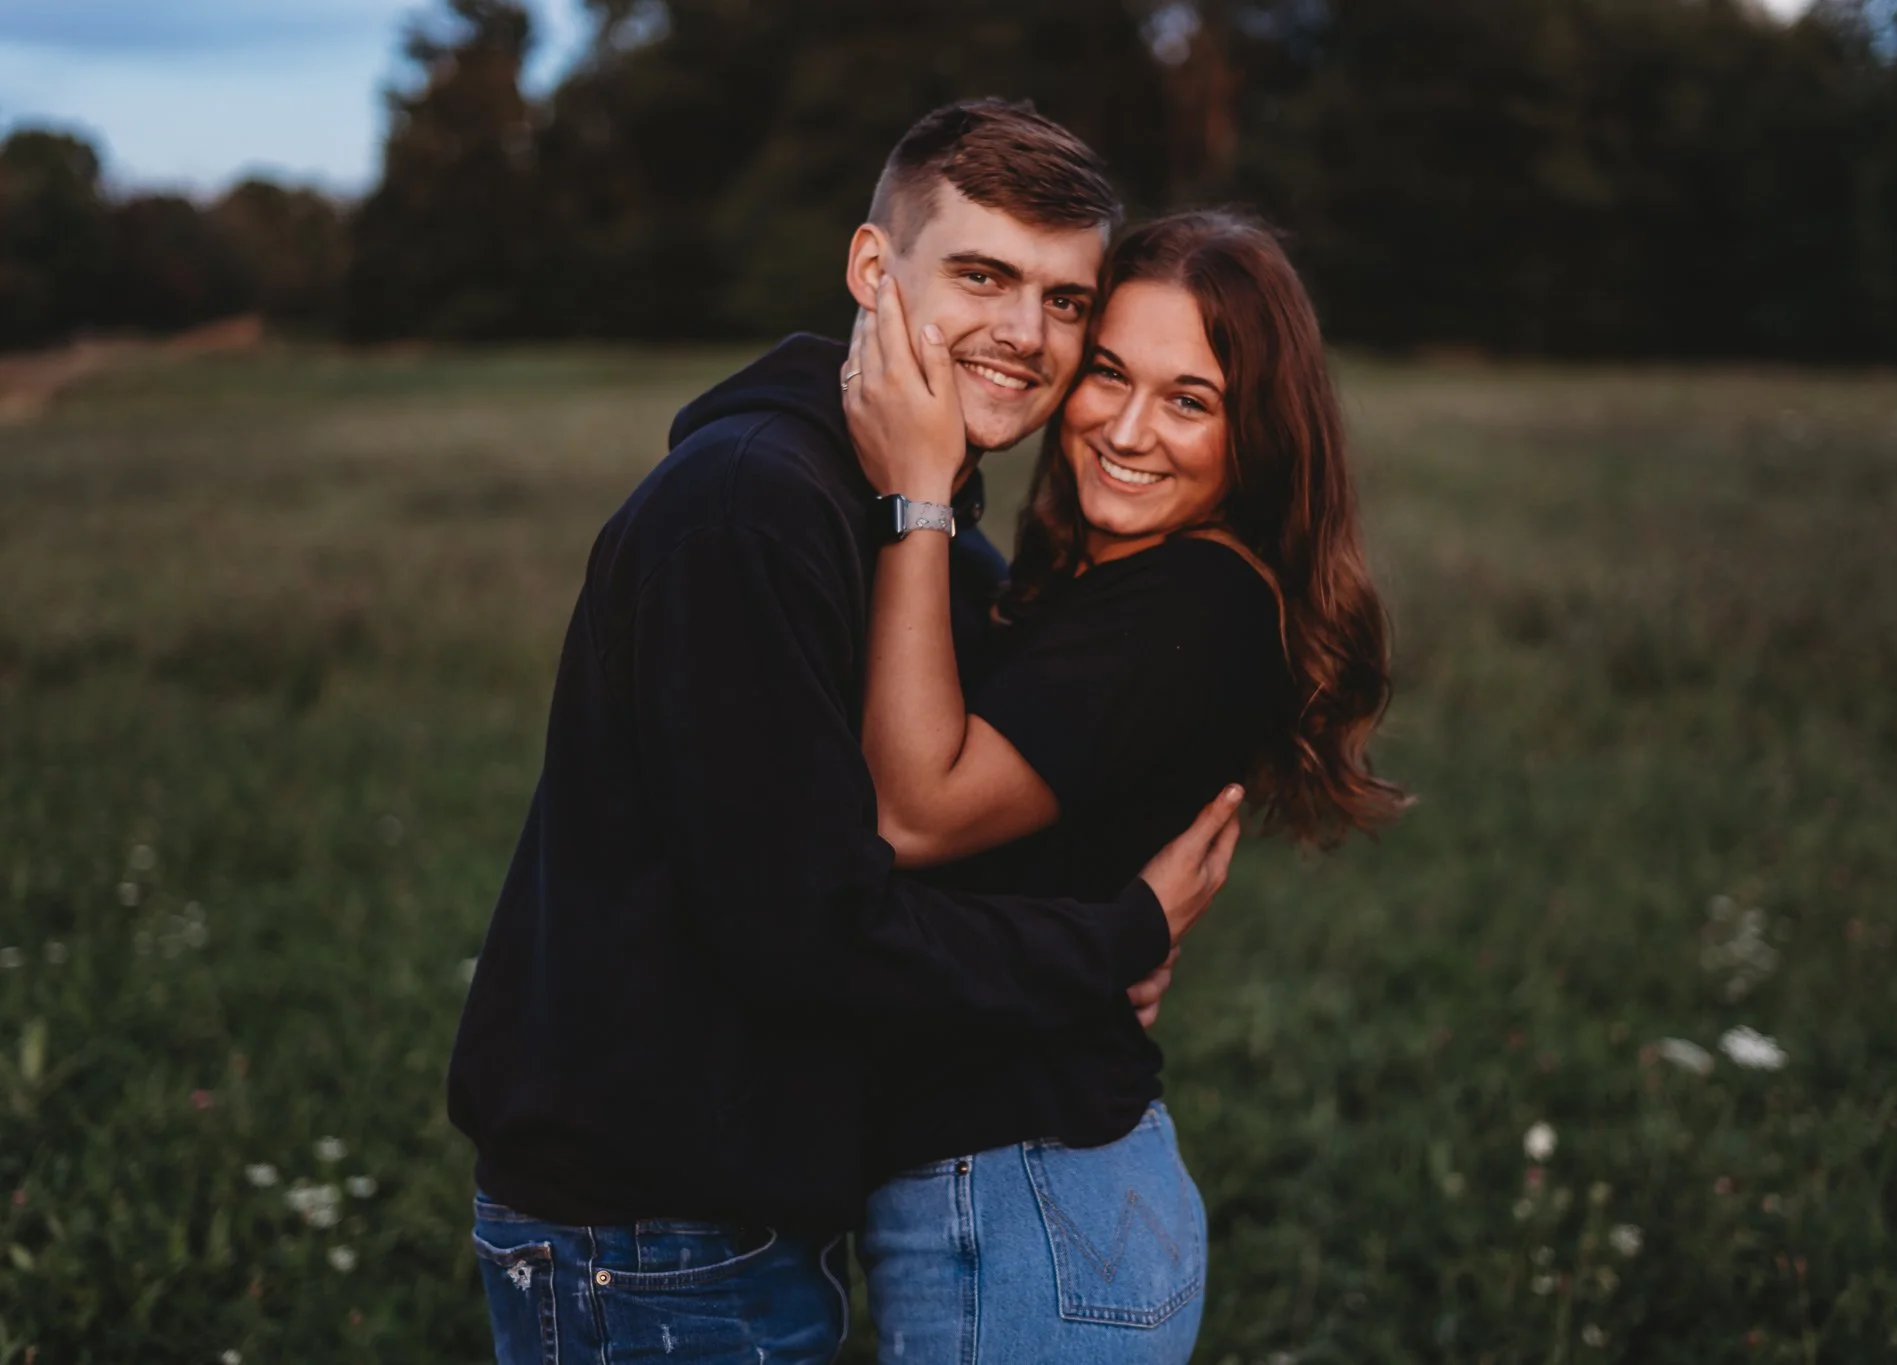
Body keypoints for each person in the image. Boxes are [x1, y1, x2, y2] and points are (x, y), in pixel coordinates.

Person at [446, 102, 1245, 1365]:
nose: (1023, 334)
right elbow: (810, 927)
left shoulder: (912, 535)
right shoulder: (746, 510)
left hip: (753, 1201)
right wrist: (1110, 942)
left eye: (1063, 299)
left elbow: (932, 832)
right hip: (644, 1226)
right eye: (981, 276)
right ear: (874, 269)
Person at [841, 210, 1407, 1362]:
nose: (1127, 430)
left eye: (1189, 400)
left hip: (1028, 1194)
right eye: (1107, 374)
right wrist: (1122, 933)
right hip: (1038, 1191)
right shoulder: (1114, 583)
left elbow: (910, 811)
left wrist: (917, 493)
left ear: (1258, 435)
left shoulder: (1193, 604)